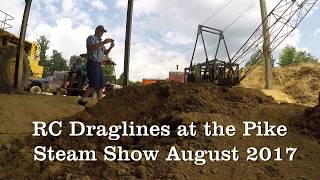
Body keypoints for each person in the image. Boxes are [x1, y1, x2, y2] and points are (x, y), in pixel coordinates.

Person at [78, 25, 115, 106]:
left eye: (103, 32)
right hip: (92, 62)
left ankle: (100, 103)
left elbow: (105, 53)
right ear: (96, 30)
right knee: (94, 83)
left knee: (101, 84)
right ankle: (82, 99)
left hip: (98, 64)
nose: (102, 33)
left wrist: (111, 47)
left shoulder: (101, 42)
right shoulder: (91, 38)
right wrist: (103, 42)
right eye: (101, 31)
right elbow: (90, 49)